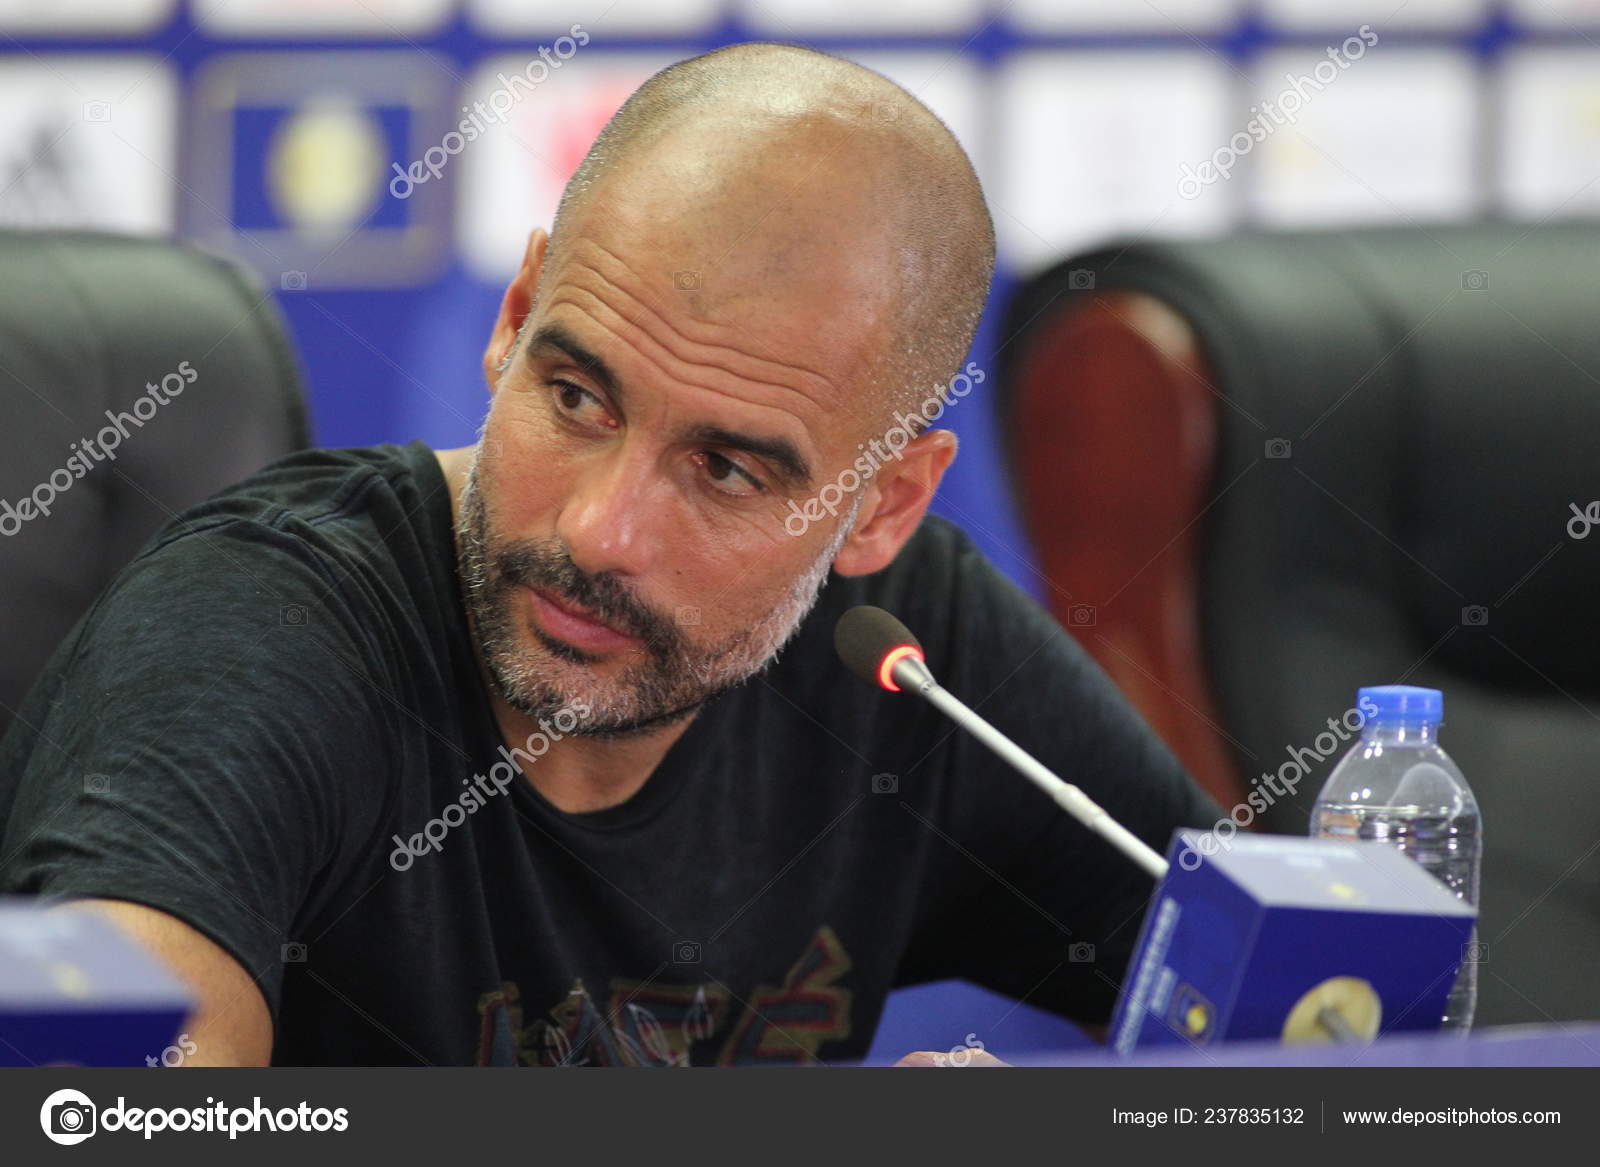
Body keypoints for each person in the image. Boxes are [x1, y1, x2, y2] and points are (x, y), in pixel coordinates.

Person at [0, 42, 1220, 1066]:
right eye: (578, 397)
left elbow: (1337, 1029)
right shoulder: (254, 635)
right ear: (516, 317)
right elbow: (107, 1117)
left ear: (879, 508)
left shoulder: (901, 654)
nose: (598, 533)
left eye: (728, 470)